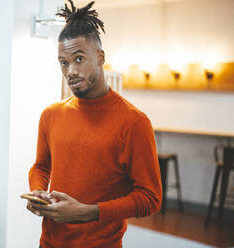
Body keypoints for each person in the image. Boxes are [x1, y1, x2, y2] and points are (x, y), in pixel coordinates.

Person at [26, 1, 162, 247]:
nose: (71, 71)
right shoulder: (51, 114)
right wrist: (38, 192)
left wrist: (87, 211)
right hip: (48, 242)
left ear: (100, 57)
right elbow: (41, 166)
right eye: (64, 63)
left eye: (79, 59)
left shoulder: (134, 122)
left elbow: (150, 198)